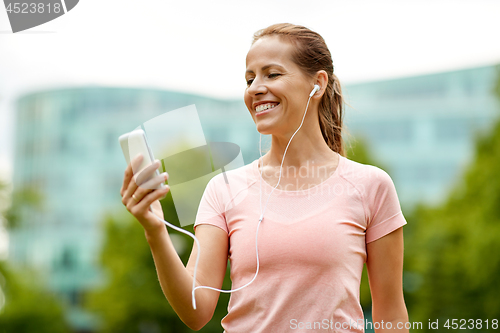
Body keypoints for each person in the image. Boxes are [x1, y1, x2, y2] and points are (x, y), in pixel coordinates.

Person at [121, 23, 409, 333]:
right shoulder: (223, 190)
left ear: (318, 83)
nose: (255, 88)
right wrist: (155, 231)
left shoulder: (371, 186)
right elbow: (196, 311)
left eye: (272, 74)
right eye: (249, 79)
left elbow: (390, 316)